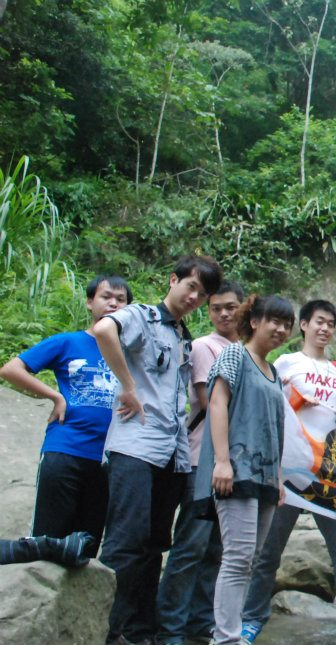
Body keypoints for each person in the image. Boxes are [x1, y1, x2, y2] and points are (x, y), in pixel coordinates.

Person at [240, 300, 336, 645]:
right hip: (287, 469)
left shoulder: (335, 370)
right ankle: (251, 618)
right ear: (303, 325)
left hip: (330, 471)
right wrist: (293, 403)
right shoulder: (286, 362)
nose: (325, 328)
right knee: (268, 551)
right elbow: (268, 404)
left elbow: (332, 415)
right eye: (319, 321)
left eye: (331, 324)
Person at [93, 255, 222, 645]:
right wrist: (128, 386)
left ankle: (138, 630)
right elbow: (103, 330)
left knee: (152, 547)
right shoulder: (142, 316)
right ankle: (106, 630)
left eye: (202, 295)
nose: (194, 298)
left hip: (171, 453)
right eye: (191, 287)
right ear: (174, 280)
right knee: (124, 542)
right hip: (134, 447)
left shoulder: (184, 337)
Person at [0, 275, 131, 558]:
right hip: (65, 450)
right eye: (106, 297)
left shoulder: (131, 353)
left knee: (85, 548)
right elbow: (12, 369)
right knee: (45, 541)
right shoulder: (67, 342)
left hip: (108, 460)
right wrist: (54, 396)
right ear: (89, 302)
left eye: (121, 300)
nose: (113, 303)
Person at [194, 295, 294, 645]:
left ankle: (228, 635)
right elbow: (217, 403)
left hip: (264, 476)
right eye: (275, 321)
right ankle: (225, 638)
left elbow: (275, 425)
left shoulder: (274, 373)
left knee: (248, 560)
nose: (281, 329)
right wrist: (221, 461)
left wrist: (278, 477)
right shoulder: (235, 354)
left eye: (287, 325)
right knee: (236, 559)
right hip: (236, 470)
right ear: (254, 321)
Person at [157, 280, 245, 645]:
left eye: (230, 307)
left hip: (232, 464)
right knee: (191, 546)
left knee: (215, 550)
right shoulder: (207, 347)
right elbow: (213, 402)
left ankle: (199, 624)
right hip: (201, 460)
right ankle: (170, 629)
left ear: (244, 309)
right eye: (216, 308)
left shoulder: (246, 350)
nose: (224, 314)